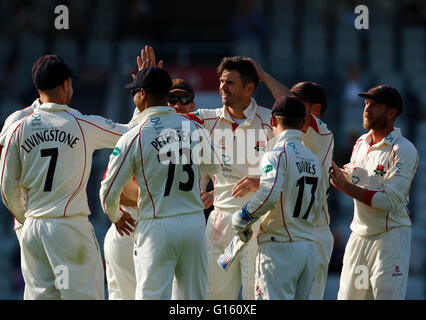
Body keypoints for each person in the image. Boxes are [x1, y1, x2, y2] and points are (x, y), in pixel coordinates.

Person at [0, 55, 136, 300]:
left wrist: (27, 217)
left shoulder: (17, 127)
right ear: (66, 85)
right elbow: (130, 134)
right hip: (68, 226)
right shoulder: (82, 124)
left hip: (32, 228)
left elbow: (7, 188)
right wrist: (143, 97)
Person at [100, 67, 222, 300]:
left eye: (134, 92)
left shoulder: (135, 135)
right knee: (192, 300)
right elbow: (216, 167)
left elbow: (107, 191)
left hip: (156, 226)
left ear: (143, 94)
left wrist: (116, 216)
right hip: (193, 225)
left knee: (151, 296)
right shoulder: (195, 128)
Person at [187, 56, 289, 300]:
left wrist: (263, 74)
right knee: (214, 298)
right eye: (222, 81)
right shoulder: (207, 118)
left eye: (230, 82)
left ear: (250, 87)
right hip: (220, 225)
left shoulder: (271, 120)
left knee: (257, 298)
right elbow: (170, 115)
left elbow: (297, 108)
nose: (223, 87)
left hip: (257, 223)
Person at [330, 85, 418, 300]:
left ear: (391, 113)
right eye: (366, 103)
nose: (367, 109)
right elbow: (350, 175)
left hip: (389, 239)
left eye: (374, 105)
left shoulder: (403, 149)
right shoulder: (361, 142)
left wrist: (346, 187)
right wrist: (323, 160)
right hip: (360, 236)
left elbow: (388, 200)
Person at [232, 95, 321, 299]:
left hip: (280, 248)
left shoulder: (275, 154)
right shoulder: (313, 159)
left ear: (273, 121)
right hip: (308, 247)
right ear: (303, 123)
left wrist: (242, 217)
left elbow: (269, 194)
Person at [289, 82, 335, 300]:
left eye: (296, 101)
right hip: (286, 232)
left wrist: (265, 75)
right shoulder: (289, 137)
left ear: (315, 110)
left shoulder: (320, 133)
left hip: (313, 232)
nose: (289, 106)